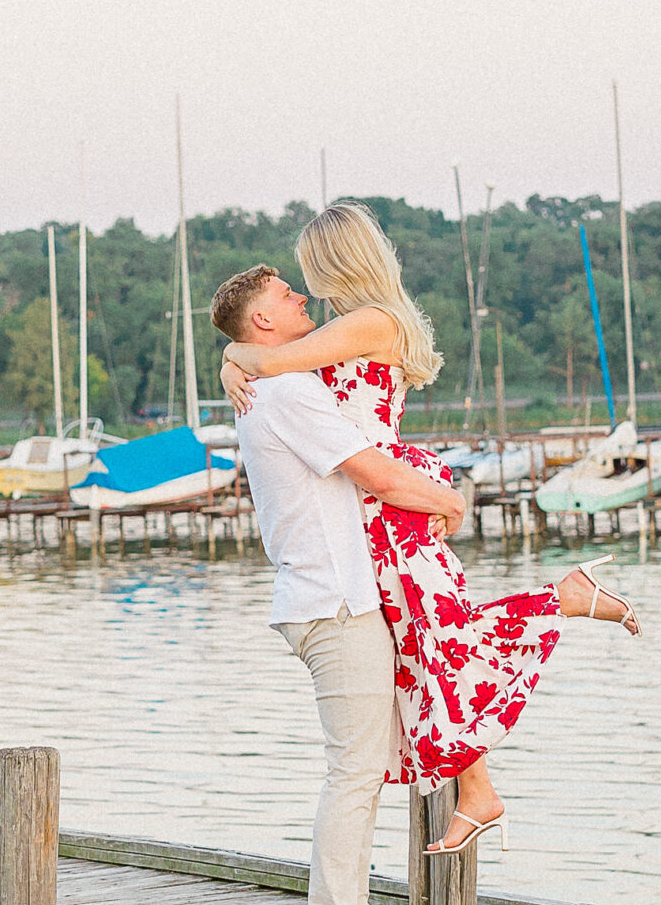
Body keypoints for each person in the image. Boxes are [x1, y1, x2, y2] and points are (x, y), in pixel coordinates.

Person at [219, 205, 638, 857]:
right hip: (367, 501)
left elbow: (273, 361)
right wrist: (237, 360)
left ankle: (563, 600)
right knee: (426, 644)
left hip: (385, 497)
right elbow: (276, 361)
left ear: (336, 259)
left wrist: (230, 356)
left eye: (309, 266)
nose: (304, 282)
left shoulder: (369, 321)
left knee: (436, 636)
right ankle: (477, 790)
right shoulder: (356, 323)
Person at [210, 260, 468, 905]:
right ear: (263, 322)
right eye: (287, 297)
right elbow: (376, 474)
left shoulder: (280, 381)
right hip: (334, 601)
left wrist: (233, 356)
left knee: (359, 770)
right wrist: (448, 505)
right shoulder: (289, 392)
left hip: (333, 596)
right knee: (353, 773)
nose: (303, 299)